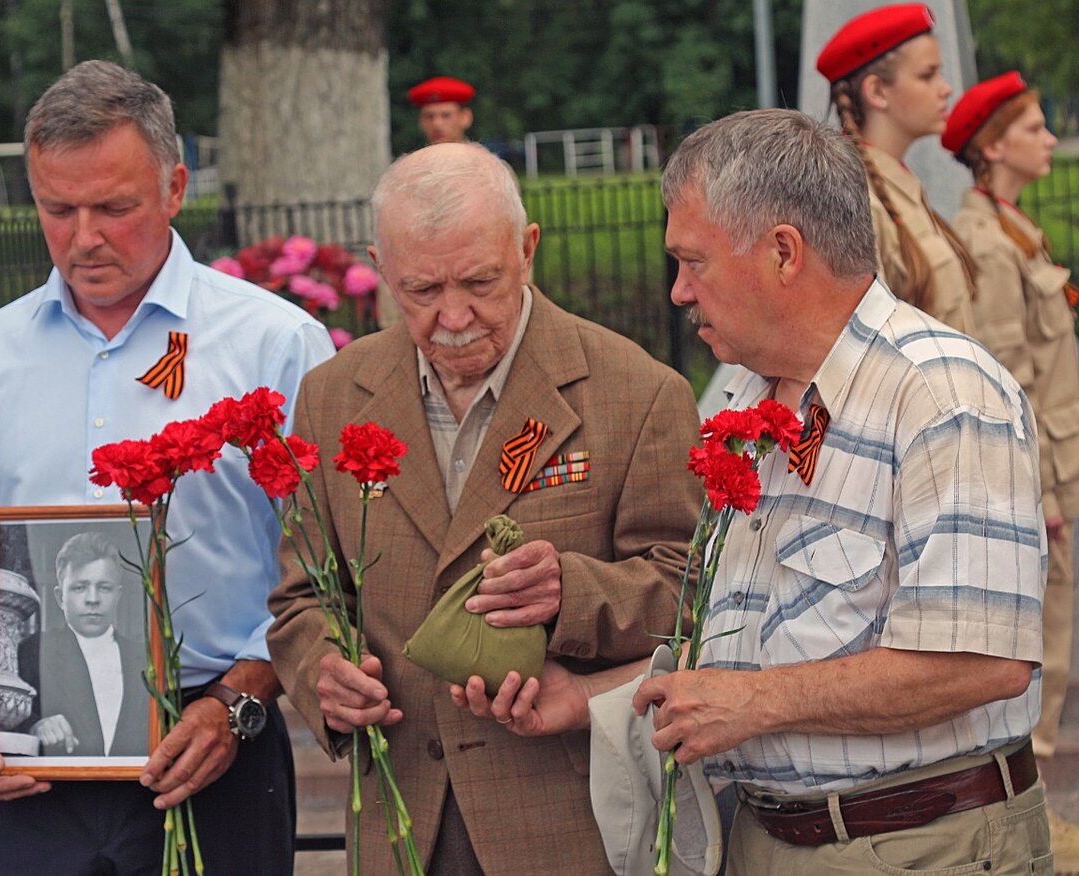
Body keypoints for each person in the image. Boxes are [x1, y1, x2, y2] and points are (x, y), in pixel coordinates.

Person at [455, 108, 1049, 875]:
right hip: (765, 839)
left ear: (782, 253)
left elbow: (983, 661)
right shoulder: (738, 395)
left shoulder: (941, 393)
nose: (677, 292)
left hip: (922, 845)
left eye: (693, 261)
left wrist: (757, 704)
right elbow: (744, 650)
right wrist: (591, 699)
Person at [0, 60, 334, 874]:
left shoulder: (275, 345)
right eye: (56, 209)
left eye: (114, 207)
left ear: (175, 187)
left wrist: (239, 701)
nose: (84, 236)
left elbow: (320, 565)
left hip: (219, 748)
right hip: (29, 766)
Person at [267, 141, 703, 874]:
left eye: (480, 281)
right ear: (379, 268)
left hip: (567, 823)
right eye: (421, 291)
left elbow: (690, 591)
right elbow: (303, 596)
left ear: (527, 249)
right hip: (401, 820)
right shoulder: (333, 396)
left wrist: (572, 592)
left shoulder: (636, 392)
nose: (454, 317)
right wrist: (325, 675)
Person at [944, 70, 1079, 865]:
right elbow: (1010, 387)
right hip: (1045, 477)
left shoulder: (1016, 232)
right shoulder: (991, 247)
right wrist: (1045, 495)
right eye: (1034, 127)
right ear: (993, 148)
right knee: (1043, 654)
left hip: (1060, 465)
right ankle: (1029, 817)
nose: (1051, 139)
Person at [817, 2, 979, 335]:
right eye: (927, 75)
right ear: (877, 91)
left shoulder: (899, 186)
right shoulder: (860, 201)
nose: (945, 88)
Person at [16, 532, 150, 757]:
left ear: (118, 595)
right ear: (60, 597)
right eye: (79, 587)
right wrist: (35, 727)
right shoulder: (33, 651)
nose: (92, 599)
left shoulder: (146, 658)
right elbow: (6, 722)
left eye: (104, 587)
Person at [408, 76, 476, 145]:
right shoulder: (416, 156)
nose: (437, 124)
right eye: (429, 116)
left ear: (465, 117)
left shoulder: (482, 155)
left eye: (446, 116)